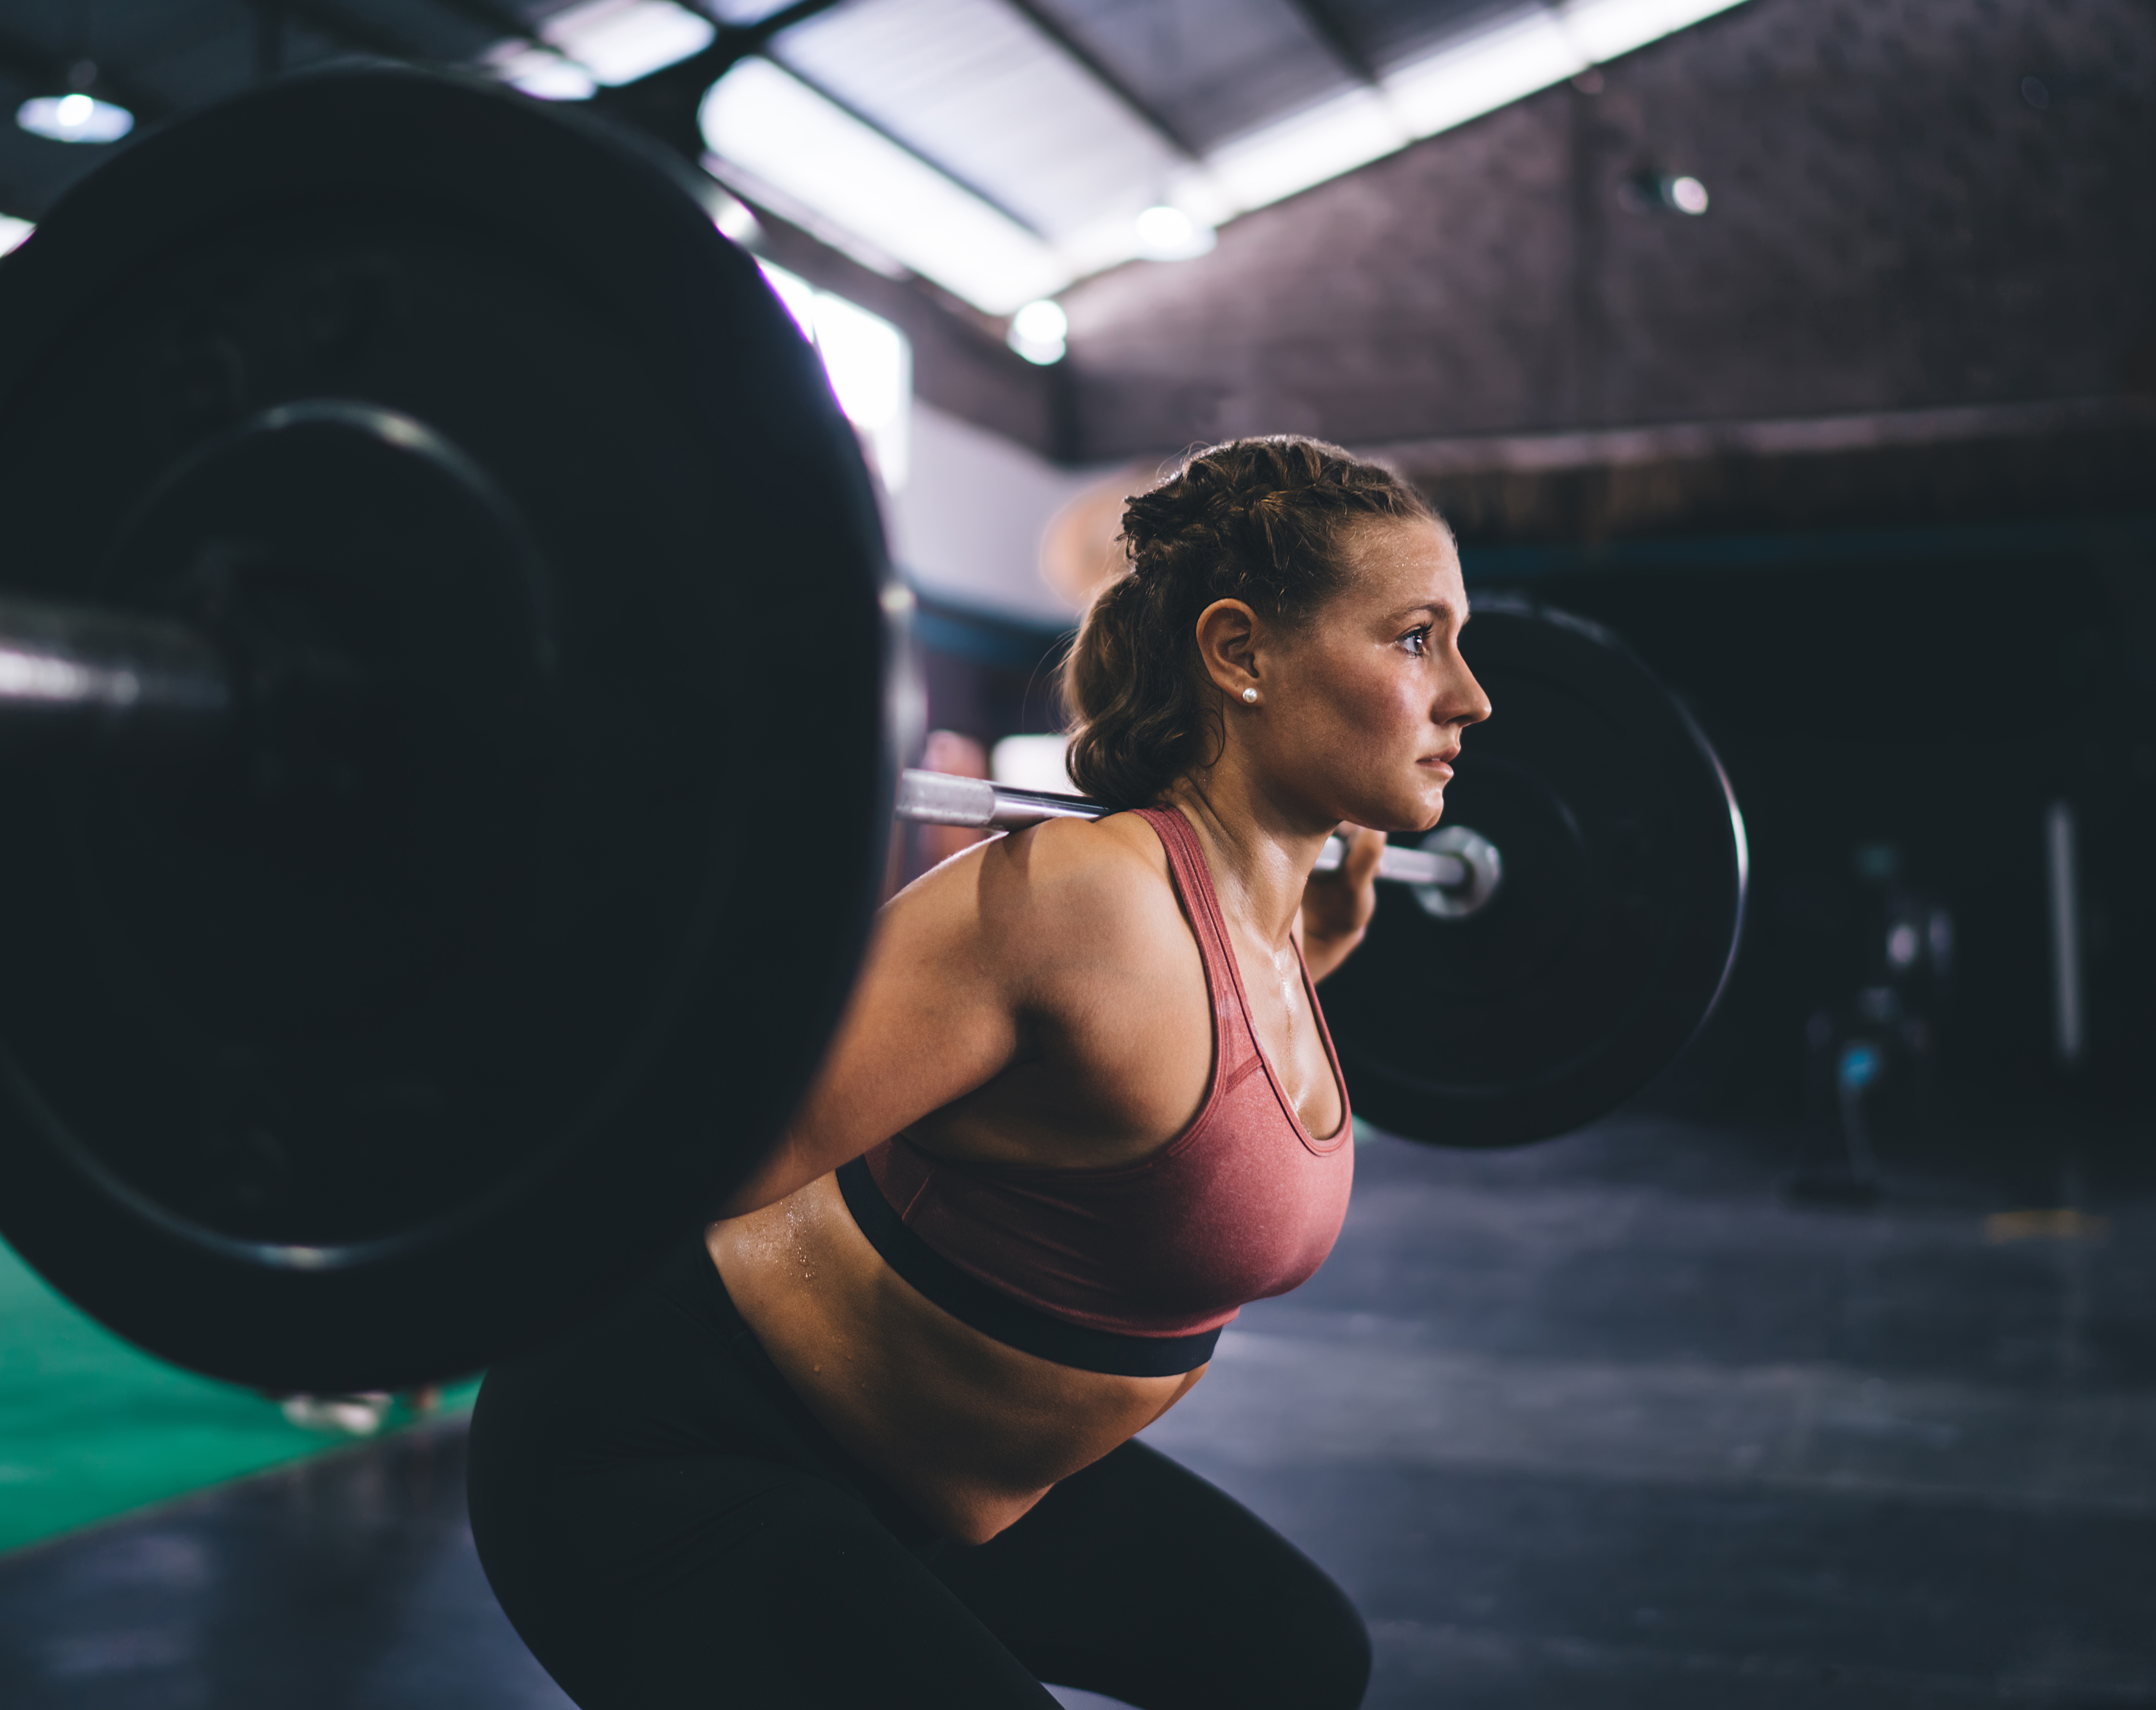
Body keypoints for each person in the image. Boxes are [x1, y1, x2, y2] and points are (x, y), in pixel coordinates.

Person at [468, 436, 1491, 1709]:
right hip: (675, 1446)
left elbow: (1153, 1113)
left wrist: (1307, 961)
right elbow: (699, 1154)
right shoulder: (1080, 906)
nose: (1469, 696)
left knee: (1294, 1660)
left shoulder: (1259, 939)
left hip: (924, 1476)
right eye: (1416, 639)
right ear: (1239, 654)